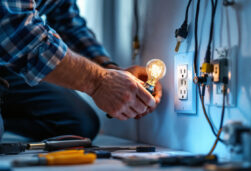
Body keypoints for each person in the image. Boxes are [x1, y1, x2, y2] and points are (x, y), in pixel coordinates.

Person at [0, 0, 162, 141]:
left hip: (7, 63)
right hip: (10, 49)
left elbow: (69, 25)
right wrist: (99, 82)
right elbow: (16, 28)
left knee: (79, 124)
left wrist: (112, 72)